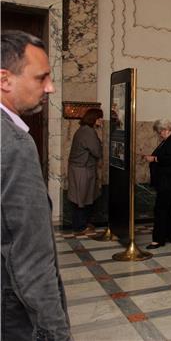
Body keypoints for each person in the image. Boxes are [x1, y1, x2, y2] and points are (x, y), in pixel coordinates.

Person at [1, 30, 71, 340]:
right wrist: (54, 332)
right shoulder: (14, 144)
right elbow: (30, 254)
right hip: (13, 315)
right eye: (41, 78)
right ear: (5, 79)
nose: (50, 87)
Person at [143, 119, 171, 249]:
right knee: (168, 209)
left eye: (160, 132)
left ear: (165, 129)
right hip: (167, 181)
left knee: (160, 209)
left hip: (168, 181)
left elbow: (170, 159)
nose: (159, 134)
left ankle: (158, 239)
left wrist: (154, 159)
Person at [68, 108, 103, 234]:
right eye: (99, 118)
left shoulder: (83, 130)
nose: (101, 121)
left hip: (80, 167)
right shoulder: (88, 132)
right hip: (82, 169)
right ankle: (80, 227)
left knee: (82, 197)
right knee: (81, 198)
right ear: (94, 119)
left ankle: (82, 224)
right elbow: (97, 151)